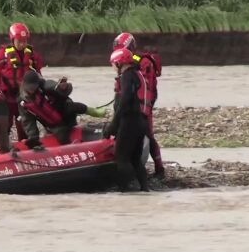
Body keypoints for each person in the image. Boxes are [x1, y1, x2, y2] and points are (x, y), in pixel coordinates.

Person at [113, 32, 164, 177]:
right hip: (129, 105)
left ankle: (159, 168)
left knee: (148, 134)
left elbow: (144, 87)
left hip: (141, 106)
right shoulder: (128, 61)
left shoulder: (140, 61)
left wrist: (143, 108)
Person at [102, 48, 151, 192]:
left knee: (122, 158)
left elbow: (125, 102)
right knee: (135, 159)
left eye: (113, 64)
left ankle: (124, 191)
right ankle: (144, 189)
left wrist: (112, 127)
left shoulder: (126, 76)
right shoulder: (137, 74)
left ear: (119, 63)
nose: (112, 67)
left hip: (130, 122)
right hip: (141, 121)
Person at [18, 71, 106, 149]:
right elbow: (28, 121)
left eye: (34, 87)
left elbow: (61, 89)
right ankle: (72, 149)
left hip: (64, 111)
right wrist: (33, 138)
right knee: (62, 137)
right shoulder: (23, 102)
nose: (32, 90)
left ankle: (94, 112)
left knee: (75, 107)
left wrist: (63, 87)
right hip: (53, 125)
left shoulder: (45, 86)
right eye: (29, 88)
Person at [0, 22, 44, 141]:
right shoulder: (2, 55)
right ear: (13, 39)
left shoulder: (32, 55)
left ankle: (25, 146)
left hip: (23, 97)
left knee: (24, 124)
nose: (22, 44)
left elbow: (38, 74)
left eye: (25, 41)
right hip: (6, 98)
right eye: (19, 41)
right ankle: (2, 148)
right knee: (5, 125)